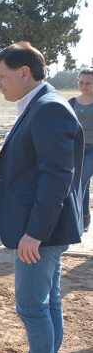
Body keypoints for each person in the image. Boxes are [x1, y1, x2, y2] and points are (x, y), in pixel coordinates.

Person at [0, 42, 83, 353]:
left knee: (32, 306)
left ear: (24, 72)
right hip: (44, 229)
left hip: (40, 232)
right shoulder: (40, 104)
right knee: (48, 301)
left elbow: (57, 175)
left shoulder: (47, 108)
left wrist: (35, 233)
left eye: (2, 76)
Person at [69, 68, 93, 232]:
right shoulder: (71, 102)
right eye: (81, 82)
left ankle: (79, 218)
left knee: (80, 181)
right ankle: (83, 218)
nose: (84, 86)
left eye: (88, 83)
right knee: (79, 182)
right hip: (75, 149)